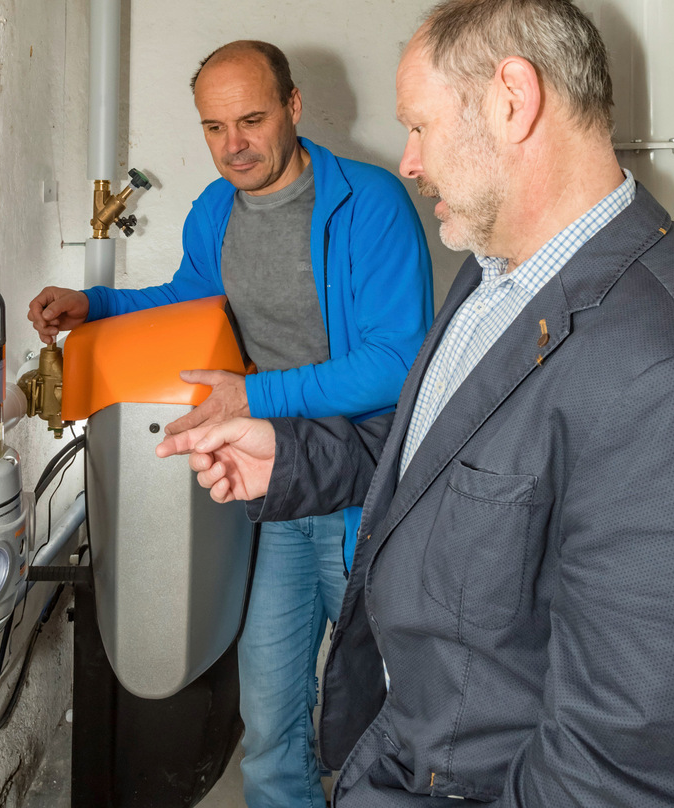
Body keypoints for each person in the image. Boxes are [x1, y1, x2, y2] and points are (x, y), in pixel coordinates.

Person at [158, 0, 674, 808]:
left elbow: (615, 766)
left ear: (512, 101)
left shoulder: (659, 367)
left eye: (420, 125)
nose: (407, 159)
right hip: (407, 747)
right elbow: (436, 460)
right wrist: (292, 456)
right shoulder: (492, 272)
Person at [28, 39, 433, 808]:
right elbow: (190, 301)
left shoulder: (370, 201)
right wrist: (98, 307)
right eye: (214, 128)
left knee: (388, 713)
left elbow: (398, 359)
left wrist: (257, 397)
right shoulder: (214, 210)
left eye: (250, 119)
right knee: (271, 710)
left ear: (293, 108)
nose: (233, 145)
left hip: (368, 491)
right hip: (274, 489)